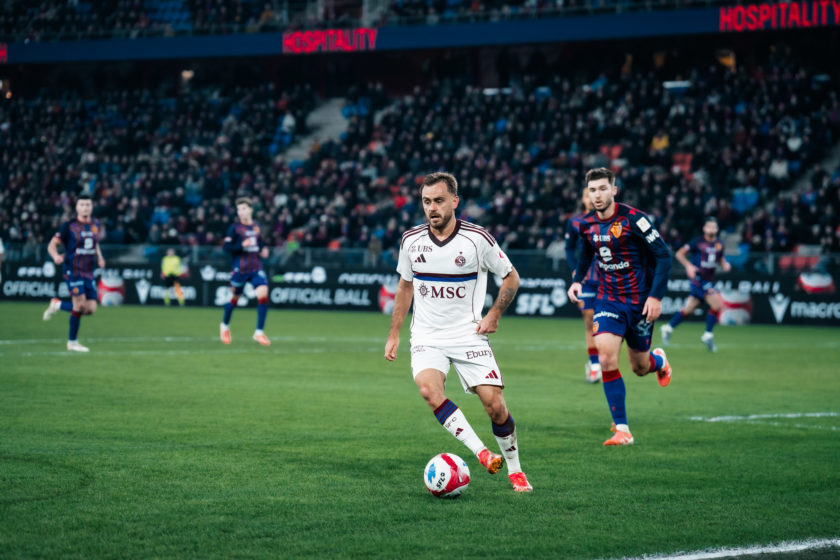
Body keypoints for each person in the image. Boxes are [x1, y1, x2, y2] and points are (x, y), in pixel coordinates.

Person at [384, 171, 532, 492]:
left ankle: (515, 469)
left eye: (438, 201)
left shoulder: (477, 240)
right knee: (429, 391)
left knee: (495, 406)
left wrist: (494, 314)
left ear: (454, 201)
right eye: (426, 201)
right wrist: (394, 333)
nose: (432, 208)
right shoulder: (411, 240)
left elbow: (512, 278)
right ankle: (481, 453)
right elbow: (405, 286)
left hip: (468, 335)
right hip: (427, 336)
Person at [567, 168, 673, 446]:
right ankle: (623, 429)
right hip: (608, 299)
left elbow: (664, 256)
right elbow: (586, 252)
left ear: (614, 190)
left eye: (603, 188)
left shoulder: (635, 219)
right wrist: (577, 280)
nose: (597, 195)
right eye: (592, 190)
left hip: (640, 302)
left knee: (640, 367)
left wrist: (656, 297)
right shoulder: (586, 224)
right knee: (606, 358)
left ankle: (659, 361)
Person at [42, 193, 106, 352]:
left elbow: (95, 243)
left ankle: (57, 304)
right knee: (80, 304)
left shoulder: (95, 224)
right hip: (73, 270)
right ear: (77, 207)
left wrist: (100, 256)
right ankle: (72, 342)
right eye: (82, 204)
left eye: (88, 204)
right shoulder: (68, 226)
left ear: (92, 207)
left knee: (90, 309)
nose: (85, 207)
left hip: (88, 272)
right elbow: (52, 245)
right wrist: (55, 256)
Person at [661, 217, 732, 352]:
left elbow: (720, 258)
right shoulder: (697, 242)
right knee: (717, 305)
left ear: (717, 229)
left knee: (689, 309)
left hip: (709, 280)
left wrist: (725, 264)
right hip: (698, 279)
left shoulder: (719, 244)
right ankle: (708, 335)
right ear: (704, 228)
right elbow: (679, 254)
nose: (711, 229)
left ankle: (668, 328)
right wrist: (689, 266)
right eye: (709, 226)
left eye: (714, 227)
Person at [220, 197, 271, 346]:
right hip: (240, 269)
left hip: (256, 267)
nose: (240, 212)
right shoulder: (234, 228)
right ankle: (224, 326)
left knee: (263, 294)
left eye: (243, 208)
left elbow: (260, 243)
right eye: (238, 209)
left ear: (250, 210)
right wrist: (241, 245)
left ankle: (259, 332)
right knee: (235, 299)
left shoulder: (256, 226)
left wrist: (263, 249)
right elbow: (226, 248)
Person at [565, 188, 602, 383]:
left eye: (594, 193)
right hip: (586, 279)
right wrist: (574, 270)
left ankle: (605, 359)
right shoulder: (575, 221)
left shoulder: (609, 220)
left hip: (608, 278)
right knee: (589, 321)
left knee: (607, 322)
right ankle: (595, 364)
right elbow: (569, 248)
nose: (591, 197)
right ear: (582, 198)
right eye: (587, 194)